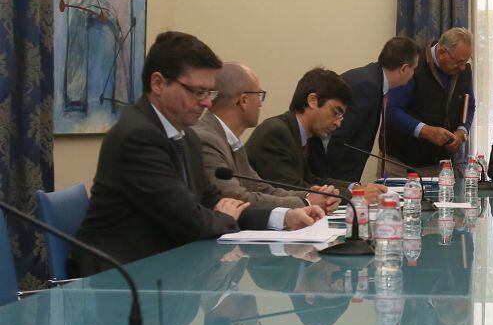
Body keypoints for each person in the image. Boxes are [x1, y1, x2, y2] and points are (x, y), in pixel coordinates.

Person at [75, 32, 325, 272]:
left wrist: (284, 217)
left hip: (165, 269)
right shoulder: (138, 137)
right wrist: (223, 217)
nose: (207, 103)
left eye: (210, 92)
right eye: (198, 92)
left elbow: (212, 201)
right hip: (121, 276)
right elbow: (190, 220)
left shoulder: (186, 135)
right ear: (158, 83)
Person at [192, 63, 339, 212]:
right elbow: (237, 198)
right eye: (259, 95)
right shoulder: (205, 139)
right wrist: (306, 202)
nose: (260, 104)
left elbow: (262, 188)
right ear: (243, 100)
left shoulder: (229, 139)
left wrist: (311, 195)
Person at [246, 67, 374, 198]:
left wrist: (354, 188)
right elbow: (292, 188)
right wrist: (357, 196)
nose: (338, 123)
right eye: (335, 112)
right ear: (313, 100)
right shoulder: (275, 133)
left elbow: (312, 181)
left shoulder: (298, 134)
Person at [326, 36, 421, 181]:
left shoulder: (373, 79)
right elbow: (339, 138)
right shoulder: (367, 86)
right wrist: (340, 184)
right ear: (404, 68)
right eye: (414, 69)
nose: (413, 74)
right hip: (334, 175)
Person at [384, 27, 476, 175]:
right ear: (441, 53)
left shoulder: (464, 70)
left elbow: (470, 106)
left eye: (466, 61)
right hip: (401, 164)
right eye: (459, 61)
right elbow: (390, 109)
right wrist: (426, 131)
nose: (463, 67)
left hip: (441, 166)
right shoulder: (413, 64)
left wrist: (462, 131)